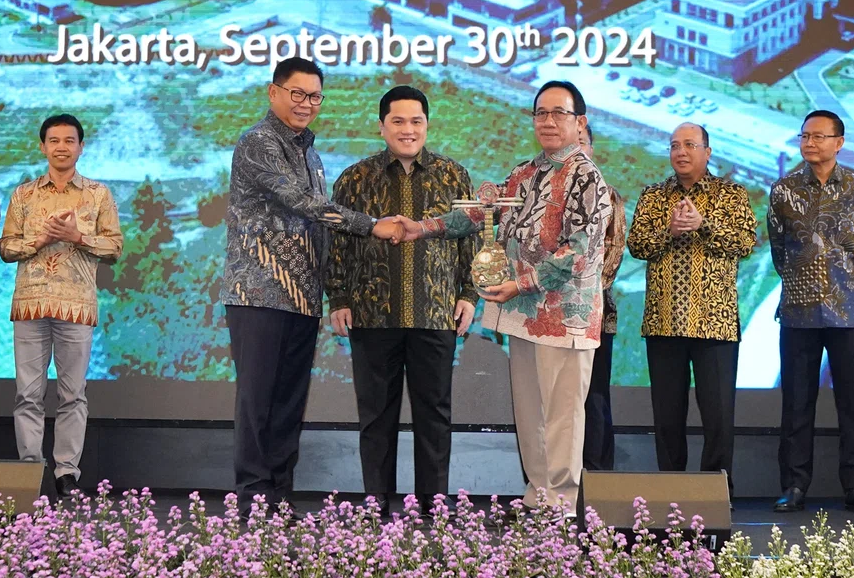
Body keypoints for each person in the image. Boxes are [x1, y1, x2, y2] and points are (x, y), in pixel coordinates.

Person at [398, 80, 611, 512]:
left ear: (579, 122)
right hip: (521, 314)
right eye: (541, 113)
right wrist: (424, 227)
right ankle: (537, 496)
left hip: (563, 317)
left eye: (559, 113)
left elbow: (581, 250)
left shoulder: (587, 176)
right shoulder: (525, 172)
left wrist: (524, 281)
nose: (548, 121)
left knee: (563, 416)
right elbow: (482, 215)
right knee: (530, 413)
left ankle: (563, 504)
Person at [221, 57, 405, 516]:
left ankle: (278, 495)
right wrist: (372, 225)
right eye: (298, 94)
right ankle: (252, 499)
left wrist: (334, 291)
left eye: (315, 96)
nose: (306, 104)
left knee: (287, 404)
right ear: (274, 92)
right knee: (258, 401)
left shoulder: (310, 152)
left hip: (302, 298)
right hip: (258, 294)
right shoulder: (257, 142)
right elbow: (303, 204)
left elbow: (317, 229)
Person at [326, 85, 477, 515]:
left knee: (435, 416)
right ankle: (376, 507)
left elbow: (469, 238)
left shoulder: (454, 176)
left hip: (435, 312)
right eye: (398, 121)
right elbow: (337, 242)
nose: (408, 130)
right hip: (372, 316)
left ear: (427, 125)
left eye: (416, 121)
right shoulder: (355, 178)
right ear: (382, 126)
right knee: (377, 419)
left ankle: (436, 507)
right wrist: (338, 296)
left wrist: (467, 294)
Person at [626, 122, 756, 505]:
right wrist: (668, 229)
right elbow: (637, 246)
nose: (680, 152)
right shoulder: (654, 196)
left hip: (713, 323)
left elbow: (745, 242)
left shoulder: (730, 195)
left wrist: (704, 225)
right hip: (664, 322)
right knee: (667, 418)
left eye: (689, 145)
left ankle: (716, 493)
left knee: (718, 417)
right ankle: (671, 491)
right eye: (673, 146)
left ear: (707, 151)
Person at [0, 114, 123, 497]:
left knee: (73, 394)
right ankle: (30, 472)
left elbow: (114, 248)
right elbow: (5, 247)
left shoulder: (98, 195)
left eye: (69, 140)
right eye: (54, 140)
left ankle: (66, 473)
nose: (62, 147)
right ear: (42, 147)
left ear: (81, 147)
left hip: (76, 306)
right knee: (27, 394)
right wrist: (37, 241)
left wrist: (77, 235)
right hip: (30, 305)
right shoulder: (24, 194)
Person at [768, 110, 854, 514]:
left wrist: (843, 279)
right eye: (805, 136)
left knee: (853, 404)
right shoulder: (783, 190)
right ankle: (794, 487)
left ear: (839, 142)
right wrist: (806, 281)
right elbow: (779, 251)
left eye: (819, 136)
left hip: (849, 312)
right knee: (796, 404)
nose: (810, 143)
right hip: (799, 312)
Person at [579, 124, 625, 471]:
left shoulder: (608, 196)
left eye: (581, 142)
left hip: (593, 316)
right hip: (545, 321)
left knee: (593, 399)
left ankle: (595, 483)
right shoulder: (541, 195)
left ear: (591, 149)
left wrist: (573, 297)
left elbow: (612, 257)